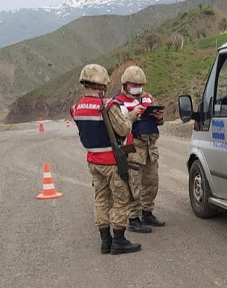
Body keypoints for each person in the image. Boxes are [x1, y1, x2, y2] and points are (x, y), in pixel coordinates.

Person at [70, 63, 141, 255]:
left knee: (101, 199)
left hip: (93, 160)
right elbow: (124, 129)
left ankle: (105, 241)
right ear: (102, 84)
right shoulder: (108, 105)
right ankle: (119, 240)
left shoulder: (76, 108)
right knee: (121, 199)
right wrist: (132, 117)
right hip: (112, 160)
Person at [113, 66, 166, 233]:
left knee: (151, 182)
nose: (137, 87)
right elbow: (118, 126)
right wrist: (133, 114)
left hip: (150, 147)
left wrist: (159, 118)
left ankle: (147, 212)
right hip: (134, 148)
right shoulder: (118, 101)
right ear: (126, 84)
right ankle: (134, 218)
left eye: (140, 84)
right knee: (133, 184)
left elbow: (157, 122)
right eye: (133, 84)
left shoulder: (148, 98)